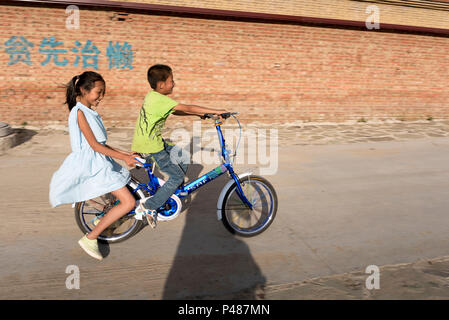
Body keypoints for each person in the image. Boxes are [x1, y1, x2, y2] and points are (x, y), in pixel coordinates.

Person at [49, 71, 138, 260]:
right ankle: (91, 237)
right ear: (83, 89)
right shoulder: (80, 112)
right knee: (128, 201)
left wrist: (126, 154)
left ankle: (103, 220)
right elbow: (95, 146)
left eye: (103, 92)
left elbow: (101, 143)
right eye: (99, 92)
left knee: (126, 191)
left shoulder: (88, 111)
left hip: (100, 159)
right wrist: (123, 159)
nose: (101, 97)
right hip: (94, 163)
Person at [131, 64, 228, 227]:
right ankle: (149, 206)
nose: (174, 84)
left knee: (183, 157)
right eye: (171, 81)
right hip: (151, 145)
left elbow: (176, 111)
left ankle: (175, 191)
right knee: (176, 176)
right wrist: (217, 111)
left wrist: (201, 114)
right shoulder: (160, 99)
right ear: (161, 85)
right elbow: (187, 107)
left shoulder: (153, 96)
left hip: (152, 141)